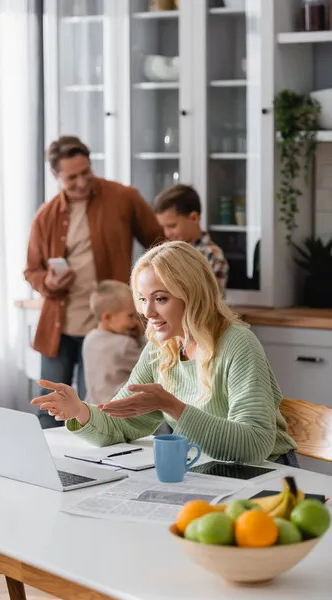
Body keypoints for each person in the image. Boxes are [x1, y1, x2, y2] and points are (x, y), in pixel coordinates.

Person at [31, 241, 299, 467]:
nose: (147, 313)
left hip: (267, 473)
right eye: (143, 299)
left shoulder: (238, 343)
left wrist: (172, 406)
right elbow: (122, 425)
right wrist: (80, 410)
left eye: (160, 299)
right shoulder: (162, 348)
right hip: (206, 466)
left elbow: (254, 446)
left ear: (192, 295)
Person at [24, 135, 163, 428]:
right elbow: (31, 271)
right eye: (72, 177)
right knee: (50, 407)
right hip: (60, 327)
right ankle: (49, 470)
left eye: (86, 171)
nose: (82, 181)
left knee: (95, 409)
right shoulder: (46, 216)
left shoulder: (124, 198)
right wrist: (48, 282)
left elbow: (160, 245)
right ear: (55, 175)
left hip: (106, 328)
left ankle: (93, 471)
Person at [153, 184, 229, 295]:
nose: (167, 233)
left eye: (172, 226)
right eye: (163, 227)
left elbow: (209, 302)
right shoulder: (166, 253)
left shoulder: (213, 256)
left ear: (194, 218)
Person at [82, 280, 144, 406]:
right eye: (130, 316)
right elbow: (149, 363)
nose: (135, 322)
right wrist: (144, 335)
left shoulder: (89, 338)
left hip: (94, 407)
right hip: (120, 409)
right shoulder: (123, 344)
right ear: (107, 317)